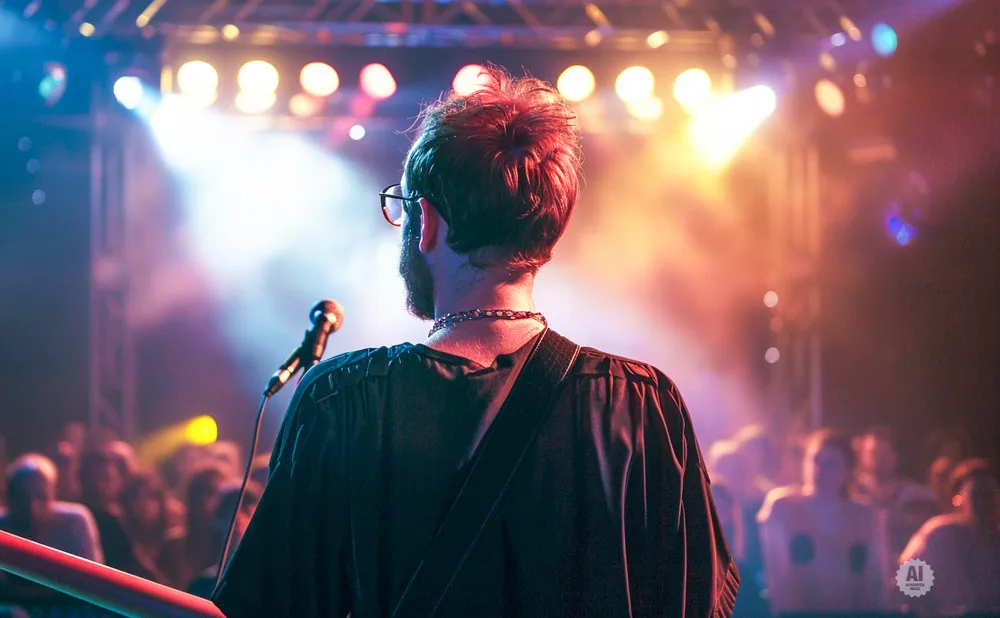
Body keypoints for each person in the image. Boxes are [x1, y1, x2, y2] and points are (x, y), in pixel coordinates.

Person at [213, 65, 738, 617]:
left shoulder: (344, 400)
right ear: (551, 228)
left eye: (403, 206)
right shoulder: (640, 405)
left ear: (427, 224)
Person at [757, 430, 889, 615]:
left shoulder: (865, 516)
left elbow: (877, 582)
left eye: (831, 463)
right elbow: (776, 579)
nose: (820, 469)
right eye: (815, 460)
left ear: (848, 470)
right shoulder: (783, 508)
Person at [898, 458, 1000, 614]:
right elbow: (907, 580)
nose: (984, 503)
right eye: (976, 494)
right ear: (958, 499)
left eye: (989, 495)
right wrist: (928, 609)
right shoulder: (938, 534)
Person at [854, 426, 940, 559]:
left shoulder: (919, 497)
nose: (878, 459)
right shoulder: (850, 496)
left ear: (896, 456)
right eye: (873, 453)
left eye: (884, 453)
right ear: (862, 456)